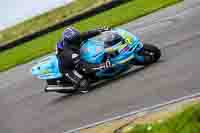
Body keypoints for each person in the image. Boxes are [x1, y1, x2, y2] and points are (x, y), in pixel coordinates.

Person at [56, 26, 111, 93]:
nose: (78, 39)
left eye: (77, 36)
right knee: (84, 85)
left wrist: (100, 30)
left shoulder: (74, 38)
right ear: (70, 41)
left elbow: (86, 34)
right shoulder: (69, 53)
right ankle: (76, 84)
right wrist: (101, 65)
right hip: (68, 68)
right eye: (76, 38)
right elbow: (83, 65)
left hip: (76, 58)